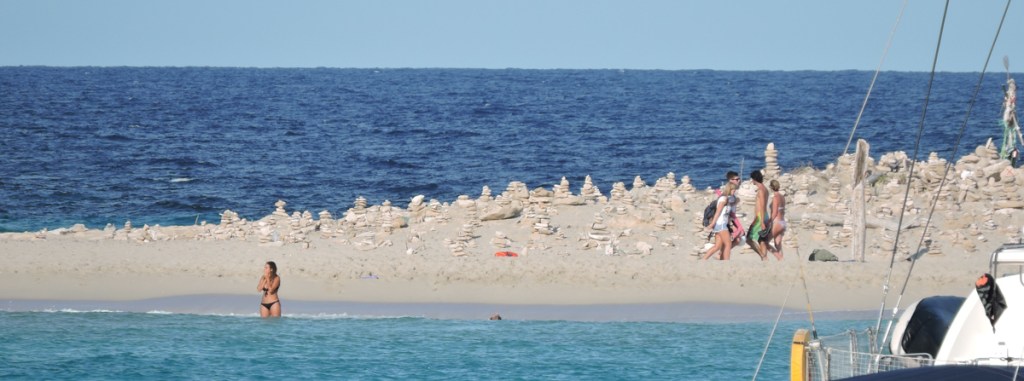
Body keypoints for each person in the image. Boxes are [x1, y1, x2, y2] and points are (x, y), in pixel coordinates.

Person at [702, 182, 737, 260]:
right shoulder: (723, 199)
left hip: (721, 225)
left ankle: (703, 260)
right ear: (729, 189)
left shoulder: (728, 199)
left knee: (717, 246)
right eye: (733, 189)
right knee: (728, 244)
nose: (734, 191)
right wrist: (712, 224)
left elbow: (729, 211)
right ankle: (726, 263)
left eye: (735, 189)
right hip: (720, 225)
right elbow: (718, 212)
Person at [745, 170, 770, 261]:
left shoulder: (761, 191)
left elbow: (762, 206)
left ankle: (763, 256)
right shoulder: (765, 189)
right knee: (761, 240)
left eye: (752, 179)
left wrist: (762, 222)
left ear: (755, 179)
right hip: (764, 216)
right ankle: (764, 260)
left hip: (760, 218)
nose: (751, 181)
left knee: (748, 239)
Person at [768, 179, 787, 260]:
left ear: (771, 187)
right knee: (778, 244)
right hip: (783, 222)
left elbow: (775, 212)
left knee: (764, 242)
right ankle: (782, 263)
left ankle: (780, 258)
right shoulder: (782, 197)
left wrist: (769, 221)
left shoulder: (775, 197)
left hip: (777, 222)